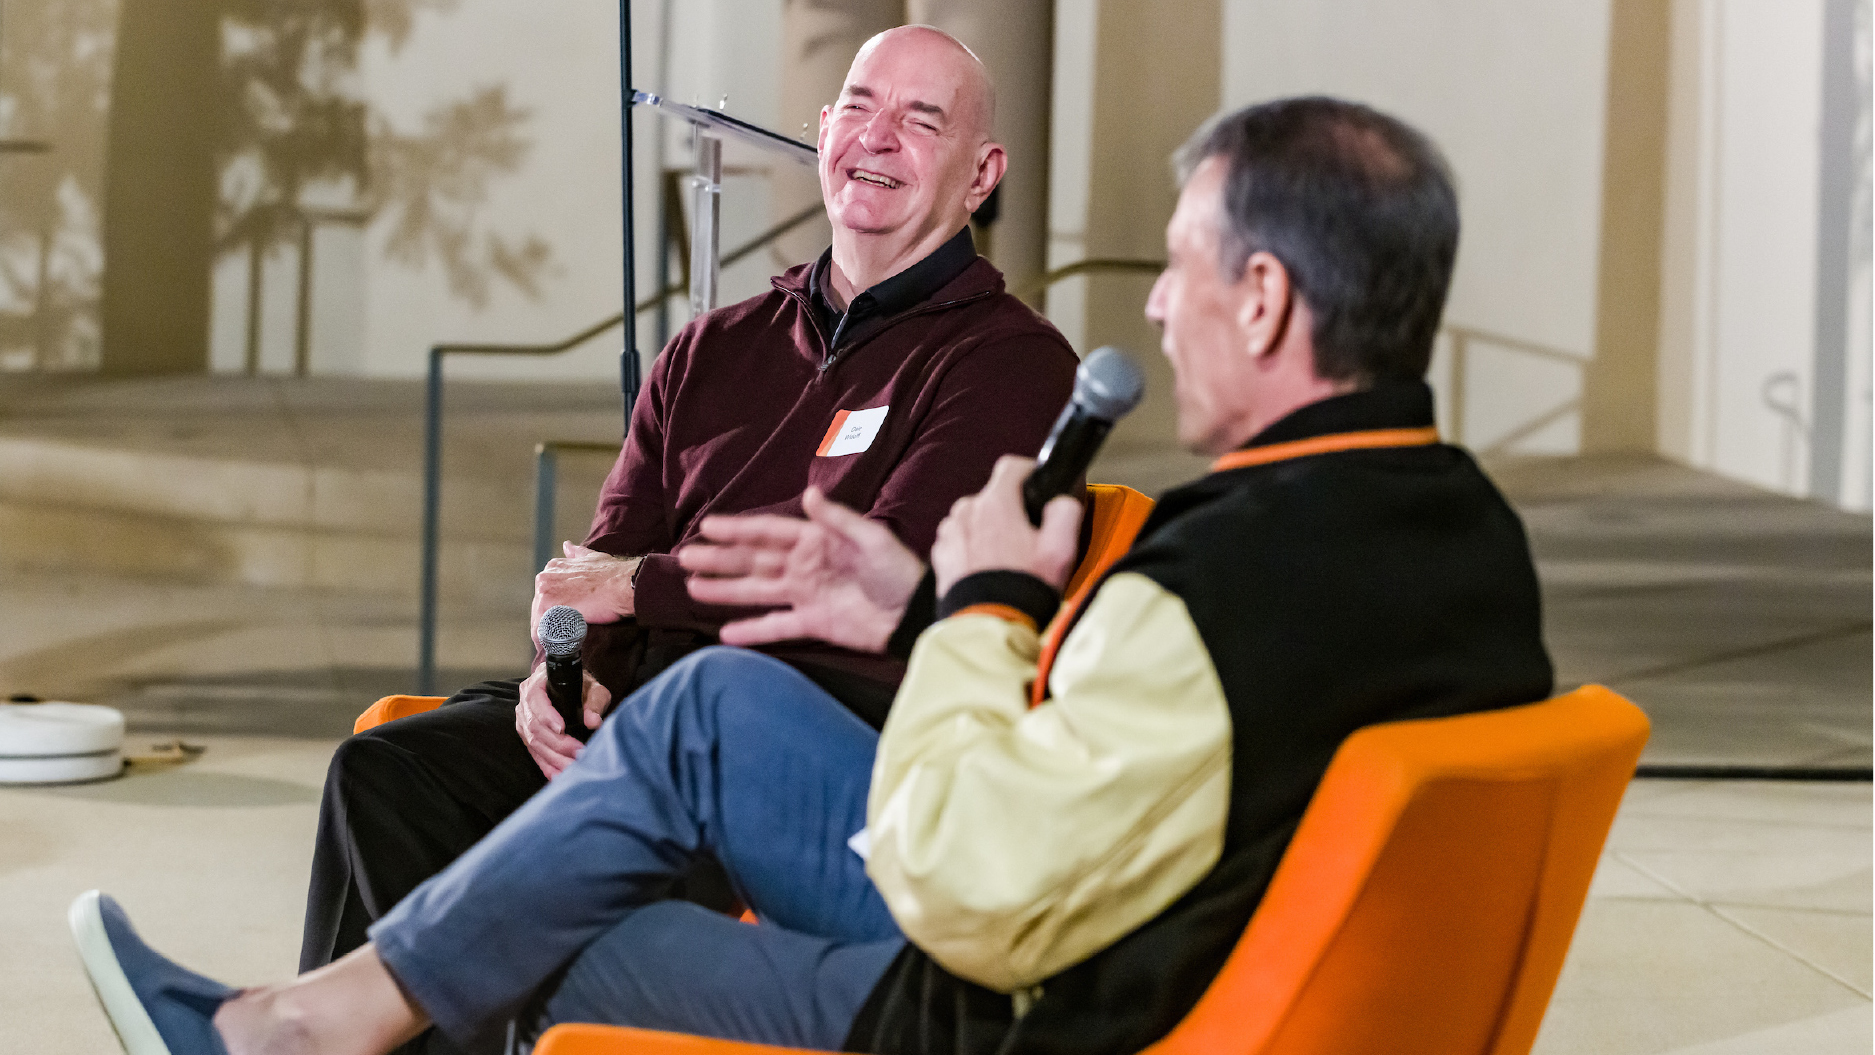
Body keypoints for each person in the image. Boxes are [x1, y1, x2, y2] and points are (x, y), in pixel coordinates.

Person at [72, 96, 1555, 1055]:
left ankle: (304, 1029)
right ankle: (300, 1023)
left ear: (1263, 294)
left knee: (527, 933)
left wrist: (979, 608)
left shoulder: (1207, 580)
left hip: (1016, 1004)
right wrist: (915, 601)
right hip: (1161, 937)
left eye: (1176, 267)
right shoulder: (1462, 529)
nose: (1156, 308)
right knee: (686, 712)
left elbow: (967, 889)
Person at [297, 20, 1080, 1009]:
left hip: (807, 742)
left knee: (600, 816)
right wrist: (558, 673)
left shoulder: (1008, 359)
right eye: (861, 106)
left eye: (922, 121)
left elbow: (865, 576)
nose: (878, 137)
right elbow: (597, 564)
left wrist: (638, 586)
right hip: (629, 722)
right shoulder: (712, 348)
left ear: (982, 173)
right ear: (826, 126)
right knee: (390, 772)